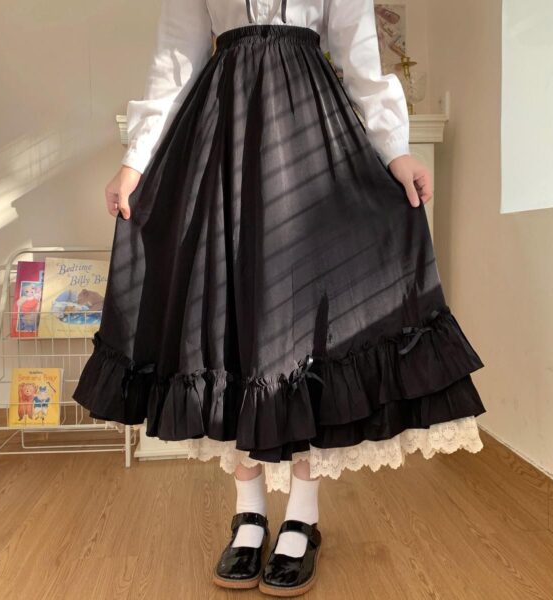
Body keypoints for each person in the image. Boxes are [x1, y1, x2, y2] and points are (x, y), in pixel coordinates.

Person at [73, 0, 487, 596]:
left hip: (310, 133)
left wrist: (396, 150)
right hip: (222, 136)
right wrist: (134, 161)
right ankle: (248, 513)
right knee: (231, 320)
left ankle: (302, 517)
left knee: (304, 332)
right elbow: (176, 59)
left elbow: (358, 55)